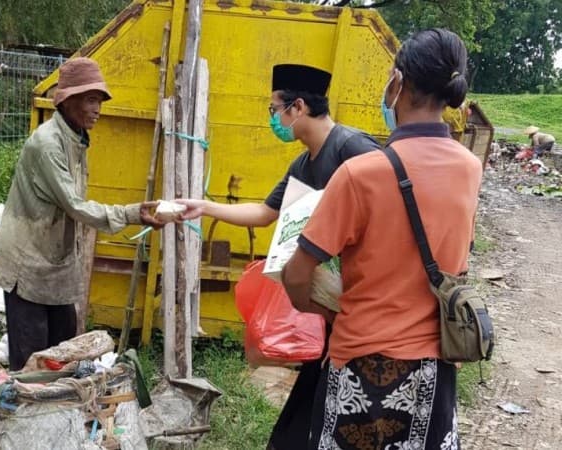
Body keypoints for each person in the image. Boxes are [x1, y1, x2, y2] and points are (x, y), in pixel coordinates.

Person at [282, 28, 481, 449]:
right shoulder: (468, 168)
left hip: (360, 363)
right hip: (434, 363)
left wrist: (325, 311)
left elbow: (297, 273)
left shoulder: (361, 174)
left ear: (398, 83)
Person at [176, 63, 380, 450]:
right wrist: (204, 207)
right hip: (337, 306)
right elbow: (266, 213)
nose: (273, 118)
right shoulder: (303, 164)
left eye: (274, 109)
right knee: (306, 415)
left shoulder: (353, 148)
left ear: (297, 107)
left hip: (367, 303)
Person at [0, 57, 164, 371]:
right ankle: (28, 416)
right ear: (68, 100)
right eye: (90, 100)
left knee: (63, 352)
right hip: (27, 263)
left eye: (99, 100)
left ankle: (58, 412)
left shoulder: (76, 137)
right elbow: (75, 205)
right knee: (31, 363)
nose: (98, 108)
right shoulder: (48, 144)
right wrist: (131, 213)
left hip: (53, 261)